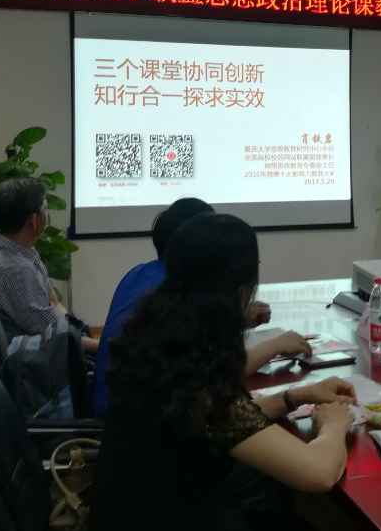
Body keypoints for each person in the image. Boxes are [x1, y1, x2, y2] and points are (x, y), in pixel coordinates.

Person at [90, 213, 356, 531]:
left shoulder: (156, 340)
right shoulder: (198, 385)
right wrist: (333, 425)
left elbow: (221, 421)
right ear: (241, 293)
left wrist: (294, 397)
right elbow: (320, 473)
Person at [92, 197, 311, 417]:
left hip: (119, 412)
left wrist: (235, 317)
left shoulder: (142, 275)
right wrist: (274, 346)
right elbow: (213, 373)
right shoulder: (178, 290)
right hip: (142, 422)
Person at [0, 177, 99, 353]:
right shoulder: (16, 270)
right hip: (37, 361)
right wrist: (106, 346)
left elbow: (54, 303)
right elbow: (56, 339)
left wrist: (75, 331)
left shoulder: (12, 248)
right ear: (33, 220)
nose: (47, 214)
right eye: (45, 208)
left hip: (47, 348)